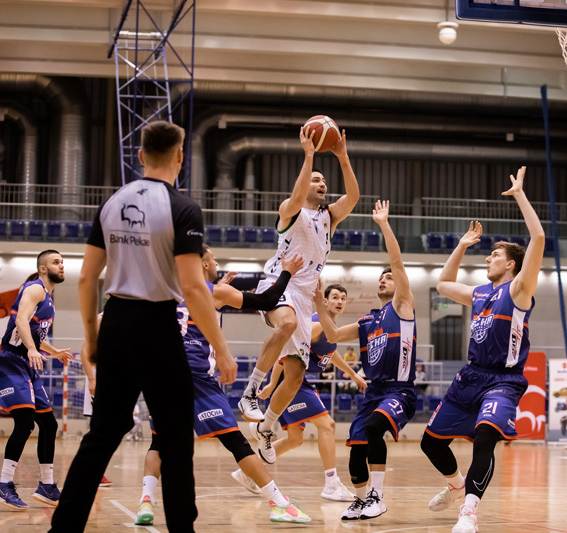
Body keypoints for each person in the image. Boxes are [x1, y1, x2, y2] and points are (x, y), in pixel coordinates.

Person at [50, 121, 237, 533]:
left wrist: (92, 337)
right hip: (157, 325)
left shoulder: (112, 202)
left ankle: (63, 527)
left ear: (140, 156)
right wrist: (221, 348)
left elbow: (87, 278)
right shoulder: (183, 208)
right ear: (180, 156)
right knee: (175, 438)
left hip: (116, 320)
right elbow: (193, 287)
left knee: (102, 433)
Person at [135, 245, 309, 525]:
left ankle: (145, 501)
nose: (216, 263)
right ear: (203, 264)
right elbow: (267, 300)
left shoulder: (165, 291)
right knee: (235, 442)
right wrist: (286, 272)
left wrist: (221, 293)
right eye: (213, 259)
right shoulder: (211, 291)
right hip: (195, 376)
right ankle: (279, 504)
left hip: (160, 374)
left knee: (159, 441)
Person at [421, 166, 545, 533]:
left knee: (486, 436)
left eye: (493, 254)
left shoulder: (519, 290)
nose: (487, 258)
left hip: (503, 380)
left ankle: (469, 512)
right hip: (470, 376)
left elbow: (538, 238)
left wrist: (520, 194)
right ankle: (456, 485)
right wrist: (461, 246)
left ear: (510, 264)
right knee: (430, 443)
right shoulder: (478, 293)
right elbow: (443, 284)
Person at [240, 125, 359, 465]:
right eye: (316, 180)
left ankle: (266, 426)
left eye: (324, 181)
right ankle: (250, 393)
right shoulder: (290, 210)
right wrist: (309, 156)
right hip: (280, 282)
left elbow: (353, 197)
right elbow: (295, 198)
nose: (322, 184)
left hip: (306, 296)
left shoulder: (329, 217)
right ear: (305, 184)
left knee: (294, 375)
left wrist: (342, 156)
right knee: (287, 323)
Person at [313, 200, 417, 521]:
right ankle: (360, 501)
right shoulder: (367, 321)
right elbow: (331, 332)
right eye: (382, 278)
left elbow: (397, 262)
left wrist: (384, 224)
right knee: (356, 449)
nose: (385, 279)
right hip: (373, 391)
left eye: (389, 277)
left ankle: (377, 496)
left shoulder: (402, 306)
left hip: (399, 390)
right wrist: (318, 301)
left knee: (374, 427)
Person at [248, 283, 367, 503]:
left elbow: (331, 352)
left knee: (295, 439)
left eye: (343, 298)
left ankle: (247, 472)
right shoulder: (315, 324)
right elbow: (286, 347)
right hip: (292, 380)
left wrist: (352, 374)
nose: (339, 301)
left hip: (299, 380)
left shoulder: (327, 327)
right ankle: (331, 484)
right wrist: (272, 383)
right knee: (328, 425)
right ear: (324, 301)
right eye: (335, 297)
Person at [0, 252, 73, 510]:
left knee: (48, 424)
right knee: (25, 422)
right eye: (56, 262)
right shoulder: (35, 288)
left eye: (62, 262)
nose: (61, 265)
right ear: (42, 268)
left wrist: (52, 351)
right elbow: (20, 320)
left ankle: (46, 486)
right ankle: (3, 483)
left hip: (27, 364)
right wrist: (32, 349)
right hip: (12, 361)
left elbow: (35, 335)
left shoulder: (49, 301)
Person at [79, 313, 113, 488]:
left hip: (113, 376)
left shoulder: (127, 316)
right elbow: (84, 350)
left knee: (114, 426)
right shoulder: (101, 318)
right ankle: (92, 472)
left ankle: (94, 470)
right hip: (98, 375)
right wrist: (92, 379)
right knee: (99, 427)